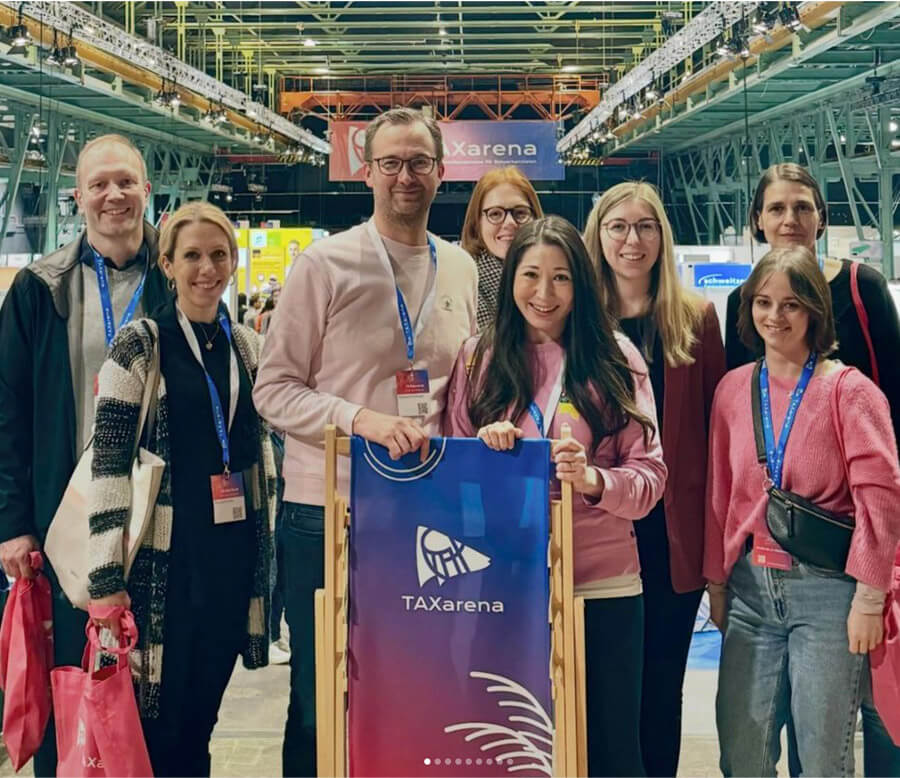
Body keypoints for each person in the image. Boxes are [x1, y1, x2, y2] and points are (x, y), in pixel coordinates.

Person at [253, 107, 477, 777]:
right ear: (367, 171)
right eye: (390, 164)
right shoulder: (325, 264)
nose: (404, 177)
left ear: (441, 172)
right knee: (321, 698)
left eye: (418, 163)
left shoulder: (462, 268)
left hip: (426, 516)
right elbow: (275, 390)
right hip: (329, 514)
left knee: (414, 690)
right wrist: (360, 421)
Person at [445, 215, 667, 777]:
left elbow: (649, 479)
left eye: (562, 278)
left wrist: (595, 480)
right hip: (505, 592)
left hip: (601, 587)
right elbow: (451, 486)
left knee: (610, 753)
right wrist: (487, 459)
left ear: (582, 285)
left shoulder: (616, 358)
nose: (544, 295)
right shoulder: (478, 358)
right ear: (510, 278)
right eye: (531, 275)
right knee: (510, 754)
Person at [0, 133, 170, 776]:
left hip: (158, 524)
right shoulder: (41, 289)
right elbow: (7, 412)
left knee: (156, 704)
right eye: (99, 184)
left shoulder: (181, 275)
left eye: (125, 181)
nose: (113, 195)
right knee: (72, 697)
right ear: (79, 197)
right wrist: (12, 522)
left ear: (146, 190)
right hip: (64, 529)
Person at [87, 201, 275, 777]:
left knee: (201, 723)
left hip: (230, 566)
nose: (206, 268)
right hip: (161, 573)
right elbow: (108, 466)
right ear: (166, 264)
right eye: (191, 255)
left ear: (234, 262)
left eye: (219, 255)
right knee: (157, 730)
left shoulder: (247, 347)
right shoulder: (141, 346)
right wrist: (105, 579)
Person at [724, 163, 900, 777]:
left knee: (834, 743)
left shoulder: (863, 294)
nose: (790, 220)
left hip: (839, 557)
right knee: (745, 747)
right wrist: (719, 576)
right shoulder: (736, 362)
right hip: (757, 574)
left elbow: (889, 421)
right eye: (776, 208)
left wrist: (876, 577)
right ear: (758, 220)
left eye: (802, 207)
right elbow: (739, 456)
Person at [583, 181, 726, 777]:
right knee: (601, 696)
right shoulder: (577, 323)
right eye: (618, 226)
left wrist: (716, 554)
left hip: (670, 539)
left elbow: (719, 442)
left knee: (662, 694)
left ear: (662, 237)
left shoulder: (695, 319)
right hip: (597, 535)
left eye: (645, 226)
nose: (632, 239)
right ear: (598, 235)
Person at [460, 165, 543, 332]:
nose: (509, 223)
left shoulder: (562, 275)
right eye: (495, 214)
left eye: (520, 213)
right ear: (477, 223)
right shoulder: (462, 284)